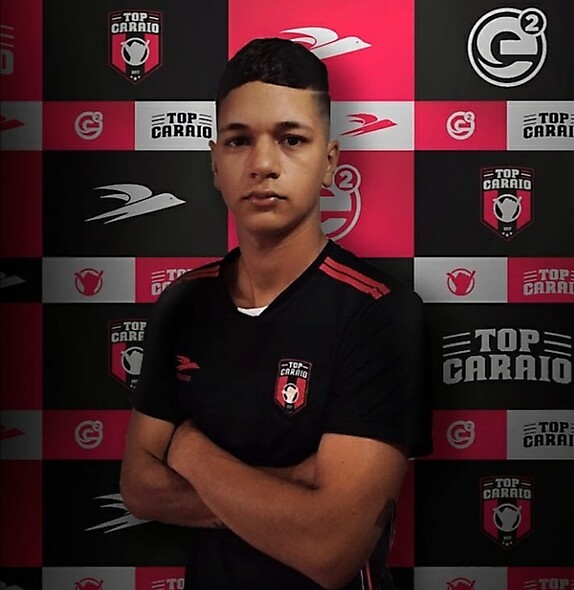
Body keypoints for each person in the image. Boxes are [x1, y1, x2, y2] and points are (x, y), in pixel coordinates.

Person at [120, 37, 432, 590]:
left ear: (329, 162)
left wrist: (189, 450)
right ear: (215, 163)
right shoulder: (183, 303)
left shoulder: (381, 312)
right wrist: (292, 491)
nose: (263, 164)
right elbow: (140, 488)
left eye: (291, 139)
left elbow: (330, 547)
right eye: (239, 141)